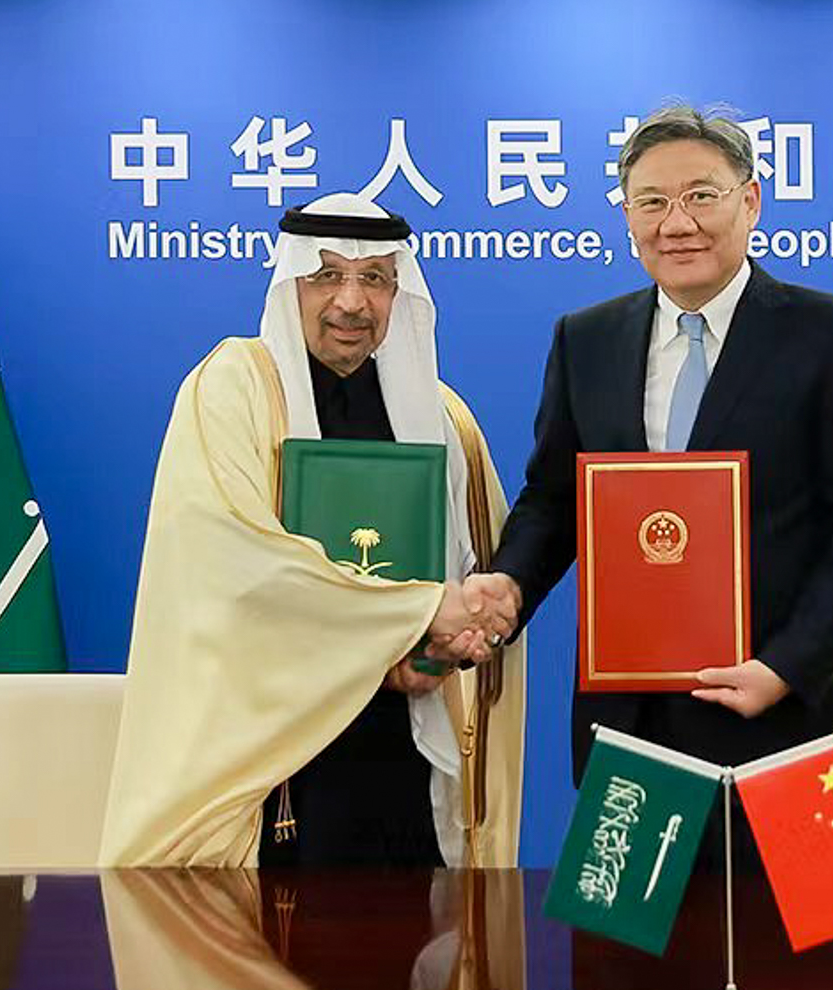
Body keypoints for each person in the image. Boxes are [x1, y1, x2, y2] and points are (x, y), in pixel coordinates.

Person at [470, 104, 833, 838]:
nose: (677, 224)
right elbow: (555, 500)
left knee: (809, 920)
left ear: (750, 201)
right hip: (631, 728)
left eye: (701, 195)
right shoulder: (587, 339)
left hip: (793, 727)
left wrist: (785, 667)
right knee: (628, 918)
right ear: (627, 217)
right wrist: (509, 585)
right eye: (651, 202)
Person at [100, 192, 525, 869]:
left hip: (403, 744)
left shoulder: (442, 418)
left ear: (398, 293)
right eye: (327, 275)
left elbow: (477, 573)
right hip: (274, 760)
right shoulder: (234, 389)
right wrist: (416, 615)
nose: (351, 302)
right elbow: (238, 565)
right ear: (290, 284)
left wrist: (447, 647)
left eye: (375, 278)